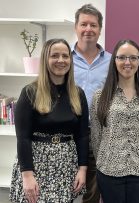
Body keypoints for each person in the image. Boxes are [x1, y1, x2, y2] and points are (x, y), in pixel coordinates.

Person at [9, 38, 89, 203]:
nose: (61, 60)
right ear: (45, 59)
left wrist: (82, 169)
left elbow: (82, 136)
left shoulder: (78, 94)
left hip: (66, 164)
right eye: (55, 56)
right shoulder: (30, 92)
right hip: (36, 164)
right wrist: (27, 175)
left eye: (65, 56)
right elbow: (23, 138)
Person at [90, 39, 139, 203]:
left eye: (133, 58)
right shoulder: (100, 97)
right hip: (109, 172)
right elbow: (96, 136)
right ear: (114, 60)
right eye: (121, 57)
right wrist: (105, 160)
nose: (127, 62)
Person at [72, 4, 111, 203]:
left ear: (100, 29)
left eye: (93, 25)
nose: (88, 29)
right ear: (76, 27)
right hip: (67, 134)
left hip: (98, 134)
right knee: (63, 187)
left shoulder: (112, 62)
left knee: (92, 194)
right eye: (84, 24)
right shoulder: (63, 59)